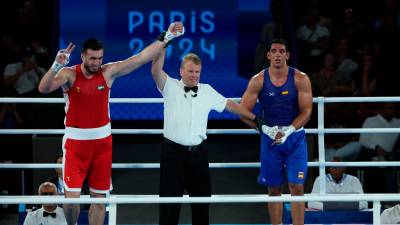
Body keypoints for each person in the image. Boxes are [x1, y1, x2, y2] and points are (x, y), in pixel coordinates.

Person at [38, 22, 184, 225]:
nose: (97, 63)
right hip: (75, 145)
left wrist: (167, 36)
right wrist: (56, 65)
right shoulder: (69, 74)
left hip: (102, 144)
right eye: (92, 58)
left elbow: (140, 58)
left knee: (99, 201)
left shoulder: (108, 72)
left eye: (99, 58)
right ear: (82, 57)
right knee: (71, 201)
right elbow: (43, 88)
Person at [151, 49, 266, 224]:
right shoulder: (170, 86)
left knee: (202, 203)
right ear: (181, 71)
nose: (194, 75)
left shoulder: (207, 91)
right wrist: (165, 42)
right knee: (169, 205)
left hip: (198, 155)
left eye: (197, 72)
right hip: (172, 154)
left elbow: (231, 106)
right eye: (190, 71)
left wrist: (255, 119)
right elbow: (155, 70)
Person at [239, 38, 313, 225]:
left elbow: (307, 111)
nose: (278, 54)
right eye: (274, 51)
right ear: (269, 55)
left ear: (287, 55)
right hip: (270, 139)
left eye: (282, 51)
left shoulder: (300, 79)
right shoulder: (258, 81)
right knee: (273, 189)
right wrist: (264, 128)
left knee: (297, 186)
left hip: (294, 138)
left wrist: (289, 130)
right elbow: (243, 112)